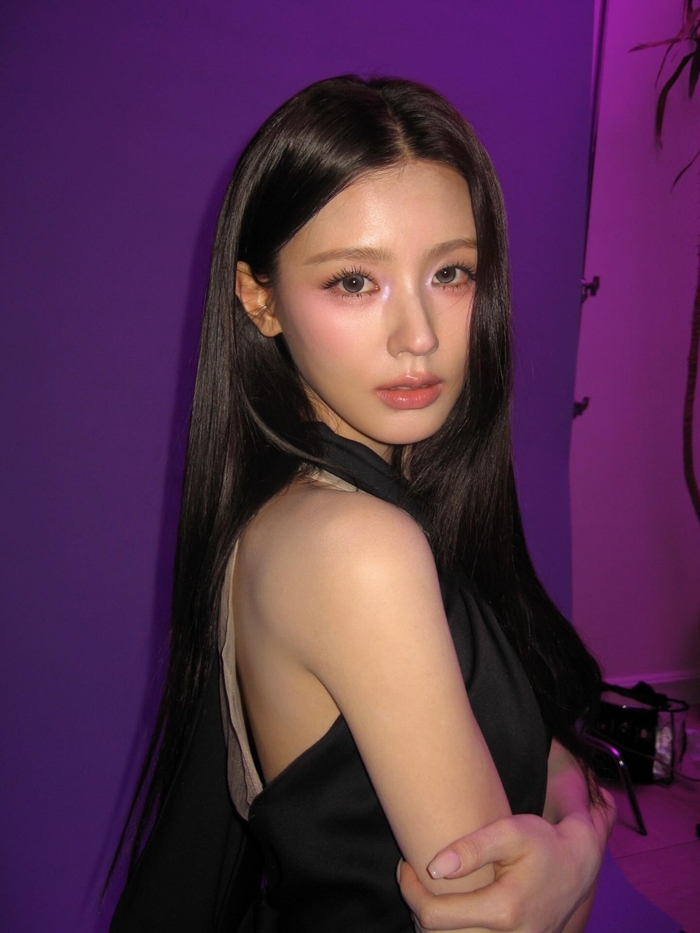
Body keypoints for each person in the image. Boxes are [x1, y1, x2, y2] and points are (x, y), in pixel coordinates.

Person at [109, 75, 612, 933]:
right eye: (353, 282)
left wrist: (571, 820)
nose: (419, 335)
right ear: (259, 298)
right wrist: (577, 852)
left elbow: (542, 751)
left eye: (450, 273)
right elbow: (503, 915)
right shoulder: (355, 545)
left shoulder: (351, 507)